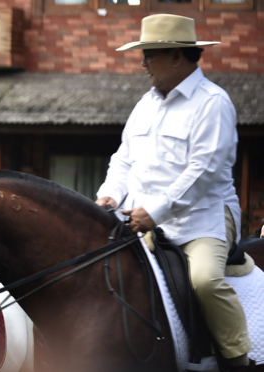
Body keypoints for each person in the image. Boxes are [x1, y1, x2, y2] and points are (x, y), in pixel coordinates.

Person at [95, 14, 254, 371]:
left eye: (149, 54)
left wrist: (155, 210)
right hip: (140, 219)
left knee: (205, 281)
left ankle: (238, 359)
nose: (143, 63)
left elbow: (204, 173)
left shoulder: (213, 103)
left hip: (203, 219)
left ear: (177, 56)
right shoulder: (144, 105)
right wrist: (109, 196)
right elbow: (123, 161)